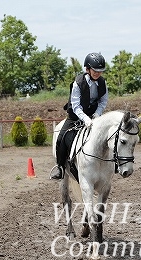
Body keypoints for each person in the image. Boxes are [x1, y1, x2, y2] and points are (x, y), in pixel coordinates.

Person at [50, 52, 109, 180]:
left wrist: (97, 114)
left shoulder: (103, 83)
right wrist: (86, 119)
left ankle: (112, 164)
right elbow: (76, 106)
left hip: (94, 116)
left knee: (110, 135)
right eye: (95, 70)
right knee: (60, 138)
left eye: (100, 71)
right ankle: (60, 167)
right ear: (87, 69)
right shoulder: (78, 83)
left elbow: (103, 102)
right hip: (75, 116)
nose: (98, 73)